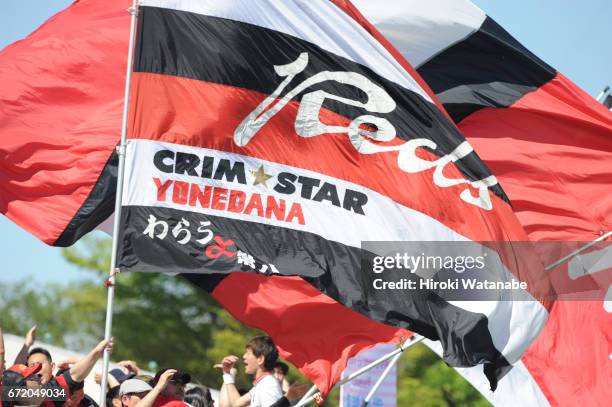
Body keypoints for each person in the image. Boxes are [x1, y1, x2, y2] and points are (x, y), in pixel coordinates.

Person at [216, 336, 283, 407]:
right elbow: (236, 403)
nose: (244, 356)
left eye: (248, 353)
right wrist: (227, 373)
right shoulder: (263, 383)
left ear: (260, 359)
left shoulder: (268, 385)